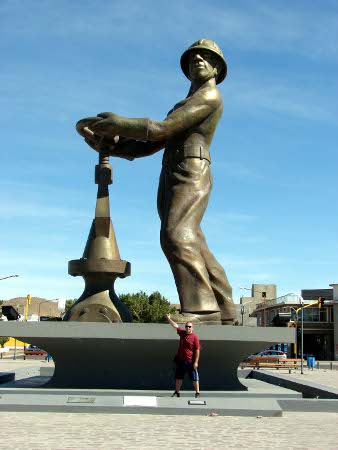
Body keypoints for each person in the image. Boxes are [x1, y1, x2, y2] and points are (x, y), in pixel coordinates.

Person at [76, 39, 236, 324]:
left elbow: (161, 129)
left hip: (191, 168)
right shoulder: (186, 103)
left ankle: (202, 309)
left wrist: (120, 123)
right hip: (174, 168)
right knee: (191, 237)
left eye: (205, 57)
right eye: (192, 58)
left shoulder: (210, 96)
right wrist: (115, 146)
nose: (197, 59)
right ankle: (223, 306)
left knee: (177, 235)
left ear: (216, 68)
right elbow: (154, 143)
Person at [166, 313, 201, 398]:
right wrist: (168, 319)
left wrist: (196, 362)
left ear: (192, 328)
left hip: (190, 362)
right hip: (181, 361)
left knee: (195, 378)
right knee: (178, 377)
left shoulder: (195, 337)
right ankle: (177, 392)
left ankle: (197, 392)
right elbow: (175, 326)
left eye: (189, 326)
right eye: (186, 326)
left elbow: (197, 350)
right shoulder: (182, 333)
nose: (188, 328)